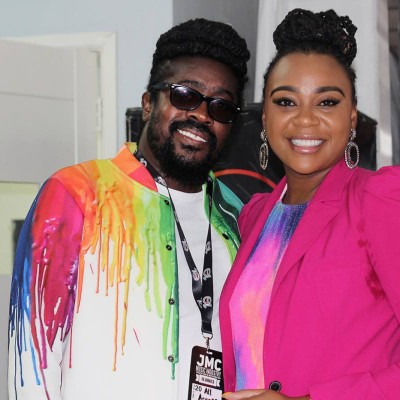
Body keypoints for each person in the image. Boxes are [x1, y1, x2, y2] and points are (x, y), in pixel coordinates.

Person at [8, 18, 250, 400]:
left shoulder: (238, 215)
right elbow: (31, 364)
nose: (202, 115)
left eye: (221, 106)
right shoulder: (76, 194)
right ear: (149, 102)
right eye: (185, 95)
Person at [220, 8, 400, 400]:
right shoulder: (255, 215)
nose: (305, 121)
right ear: (264, 117)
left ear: (352, 118)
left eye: (327, 102)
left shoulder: (382, 200)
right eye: (286, 102)